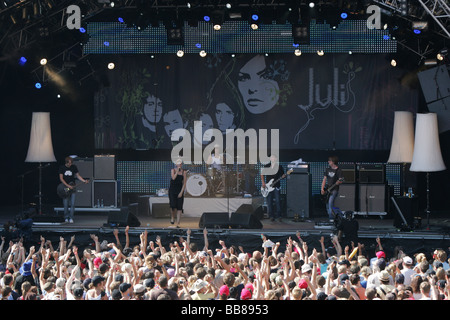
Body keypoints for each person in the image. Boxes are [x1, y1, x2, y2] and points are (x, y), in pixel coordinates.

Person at [58, 156, 89, 223]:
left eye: (71, 163)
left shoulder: (74, 167)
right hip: (65, 187)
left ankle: (71, 217)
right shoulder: (62, 168)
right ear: (66, 163)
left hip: (73, 186)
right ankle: (66, 217)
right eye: (69, 163)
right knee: (65, 203)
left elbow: (78, 175)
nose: (70, 164)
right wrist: (68, 185)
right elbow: (61, 178)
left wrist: (83, 181)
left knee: (72, 203)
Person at [261, 155, 285, 222]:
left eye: (274, 157)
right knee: (269, 202)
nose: (272, 158)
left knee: (278, 201)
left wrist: (284, 176)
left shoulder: (279, 166)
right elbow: (262, 174)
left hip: (276, 186)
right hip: (268, 187)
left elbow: (283, 175)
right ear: (270, 158)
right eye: (271, 157)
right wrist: (263, 182)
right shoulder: (267, 166)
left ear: (276, 158)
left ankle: (279, 216)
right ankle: (271, 216)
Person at [321, 155, 343, 222]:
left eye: (329, 161)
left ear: (333, 162)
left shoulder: (338, 170)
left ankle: (331, 218)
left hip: (334, 189)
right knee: (327, 203)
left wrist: (338, 182)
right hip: (328, 188)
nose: (328, 162)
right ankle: (330, 216)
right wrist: (322, 188)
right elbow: (324, 179)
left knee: (330, 203)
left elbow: (340, 180)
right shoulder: (327, 169)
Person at [169, 159, 187, 228]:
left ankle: (178, 223)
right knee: (173, 206)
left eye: (180, 164)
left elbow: (184, 183)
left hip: (180, 190)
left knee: (179, 207)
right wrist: (177, 171)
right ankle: (172, 217)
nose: (179, 165)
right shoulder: (173, 170)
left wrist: (181, 192)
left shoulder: (184, 172)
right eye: (178, 164)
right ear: (176, 164)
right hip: (172, 190)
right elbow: (173, 178)